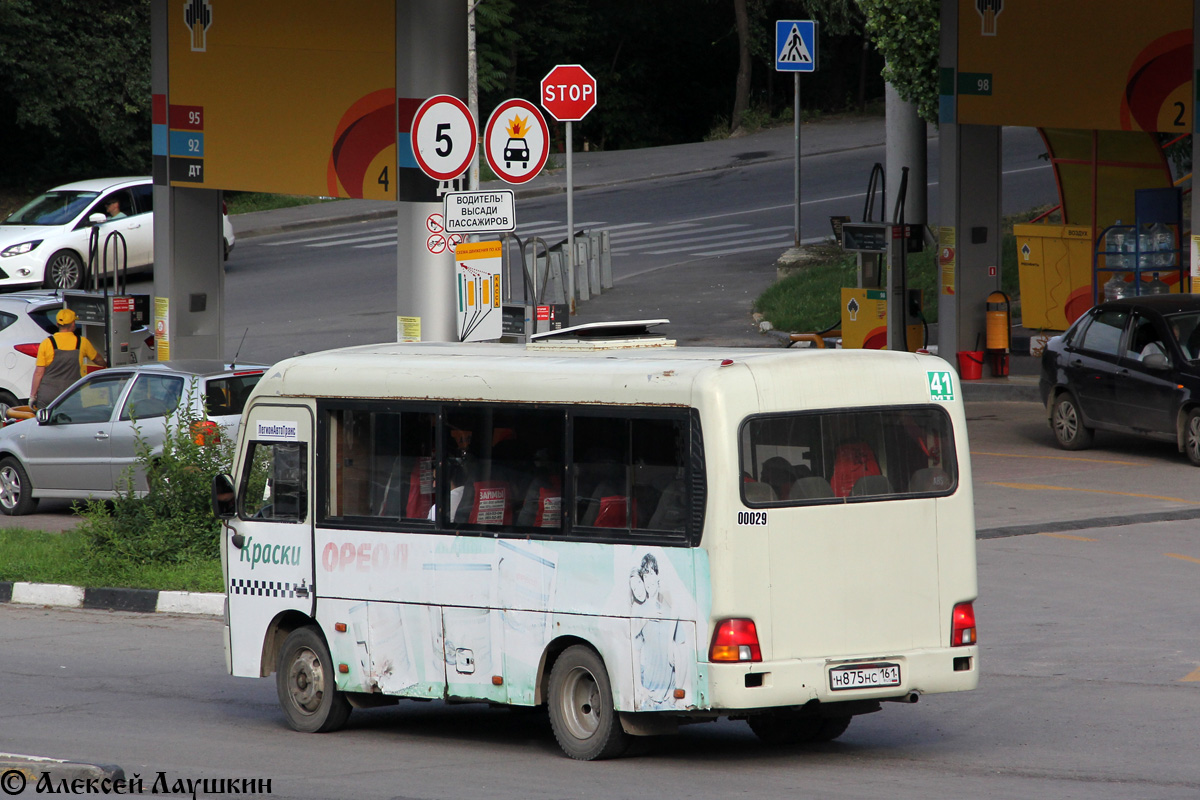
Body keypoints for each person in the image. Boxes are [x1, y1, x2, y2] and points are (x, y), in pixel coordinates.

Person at [30, 308, 107, 408]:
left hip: (48, 395)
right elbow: (98, 360)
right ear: (73, 324)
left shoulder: (47, 343)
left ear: (57, 324)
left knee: (46, 422)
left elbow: (39, 373)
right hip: (71, 395)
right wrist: (106, 364)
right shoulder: (82, 342)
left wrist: (33, 396)